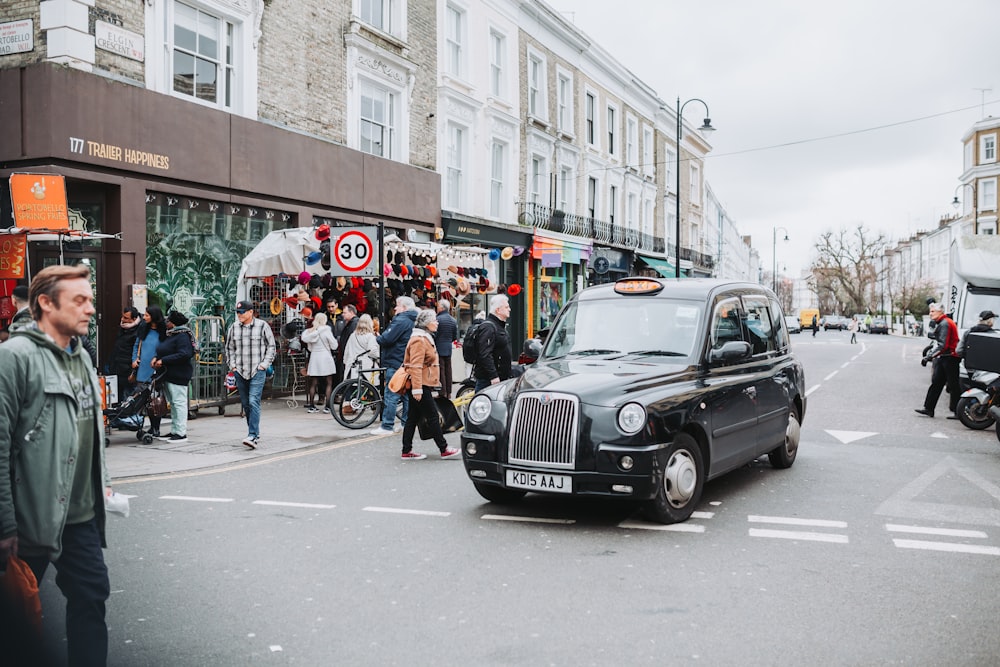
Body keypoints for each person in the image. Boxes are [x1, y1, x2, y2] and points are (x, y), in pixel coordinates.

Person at [0, 264, 111, 665]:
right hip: (29, 518)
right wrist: (5, 522)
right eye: (80, 300)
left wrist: (104, 481)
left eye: (91, 300)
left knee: (92, 595)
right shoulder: (13, 359)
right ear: (46, 304)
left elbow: (89, 427)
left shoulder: (79, 356)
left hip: (79, 515)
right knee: (17, 613)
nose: (90, 309)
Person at [397, 309, 461, 460]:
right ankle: (444, 448)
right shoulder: (419, 340)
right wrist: (417, 389)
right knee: (433, 416)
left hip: (421, 384)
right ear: (426, 323)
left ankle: (406, 451)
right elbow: (416, 366)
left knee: (412, 418)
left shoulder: (424, 337)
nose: (437, 322)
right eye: (434, 320)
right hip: (419, 385)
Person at [225, 300, 277, 449]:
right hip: (240, 371)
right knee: (246, 403)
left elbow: (271, 346)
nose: (239, 315)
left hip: (257, 370)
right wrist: (233, 365)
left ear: (250, 312)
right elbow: (229, 348)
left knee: (254, 401)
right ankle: (254, 431)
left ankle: (252, 435)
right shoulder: (233, 328)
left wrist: (264, 364)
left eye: (242, 312)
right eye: (237, 312)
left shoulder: (262, 326)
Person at [370, 296, 416, 436]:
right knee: (406, 395)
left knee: (392, 393)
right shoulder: (412, 320)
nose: (395, 308)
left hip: (395, 360)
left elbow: (386, 339)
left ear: (404, 308)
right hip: (405, 361)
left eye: (397, 305)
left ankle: (387, 426)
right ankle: (405, 424)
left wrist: (378, 337)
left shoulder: (401, 320)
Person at [151, 311, 196, 442]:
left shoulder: (182, 336)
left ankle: (181, 433)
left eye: (168, 321)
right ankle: (175, 430)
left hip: (178, 375)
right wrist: (156, 358)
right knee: (174, 404)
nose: (166, 323)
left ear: (173, 323)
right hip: (169, 375)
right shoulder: (172, 335)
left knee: (179, 403)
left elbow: (184, 354)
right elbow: (165, 350)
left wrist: (163, 360)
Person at [915, 302, 960, 418]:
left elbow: (942, 345)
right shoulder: (944, 322)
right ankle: (929, 408)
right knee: (937, 383)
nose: (930, 314)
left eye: (932, 311)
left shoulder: (945, 323)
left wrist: (929, 356)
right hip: (946, 357)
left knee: (953, 385)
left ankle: (958, 411)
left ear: (940, 312)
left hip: (950, 357)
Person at [132, 305, 166, 438]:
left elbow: (167, 349)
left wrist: (160, 360)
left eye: (147, 315)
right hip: (142, 369)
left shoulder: (164, 332)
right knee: (142, 400)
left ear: (154, 317)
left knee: (155, 401)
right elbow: (136, 345)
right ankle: (144, 427)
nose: (144, 317)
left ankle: (155, 428)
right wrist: (134, 359)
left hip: (157, 372)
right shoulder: (143, 329)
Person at [473, 294, 513, 392]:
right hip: (489, 381)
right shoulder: (489, 327)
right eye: (506, 307)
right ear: (498, 310)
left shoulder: (499, 326)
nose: (510, 309)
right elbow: (485, 354)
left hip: (499, 379)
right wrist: (493, 376)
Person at [300, 312, 338, 414]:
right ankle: (328, 407)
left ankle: (312, 406)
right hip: (326, 357)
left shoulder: (310, 332)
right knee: (329, 383)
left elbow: (310, 347)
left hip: (315, 358)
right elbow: (334, 346)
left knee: (313, 383)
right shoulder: (326, 331)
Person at [109, 306, 141, 399]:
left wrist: (133, 372)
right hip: (117, 366)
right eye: (123, 317)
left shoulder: (138, 331)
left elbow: (137, 352)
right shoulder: (123, 328)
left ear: (134, 319)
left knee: (128, 397)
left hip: (128, 369)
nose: (123, 320)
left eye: (126, 318)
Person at [343, 313, 380, 380]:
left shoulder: (352, 335)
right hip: (366, 369)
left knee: (352, 389)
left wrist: (346, 363)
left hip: (351, 370)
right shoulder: (370, 336)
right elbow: (372, 352)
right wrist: (379, 357)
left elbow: (346, 353)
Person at [435, 299, 459, 397]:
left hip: (439, 347)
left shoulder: (438, 319)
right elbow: (454, 336)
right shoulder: (453, 320)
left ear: (441, 308)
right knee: (448, 370)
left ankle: (442, 392)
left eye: (438, 307)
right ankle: (449, 392)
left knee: (441, 370)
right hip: (448, 347)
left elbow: (434, 334)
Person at [336, 304, 359, 386]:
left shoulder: (354, 324)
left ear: (351, 312)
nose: (343, 314)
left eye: (345, 313)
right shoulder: (350, 323)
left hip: (350, 355)